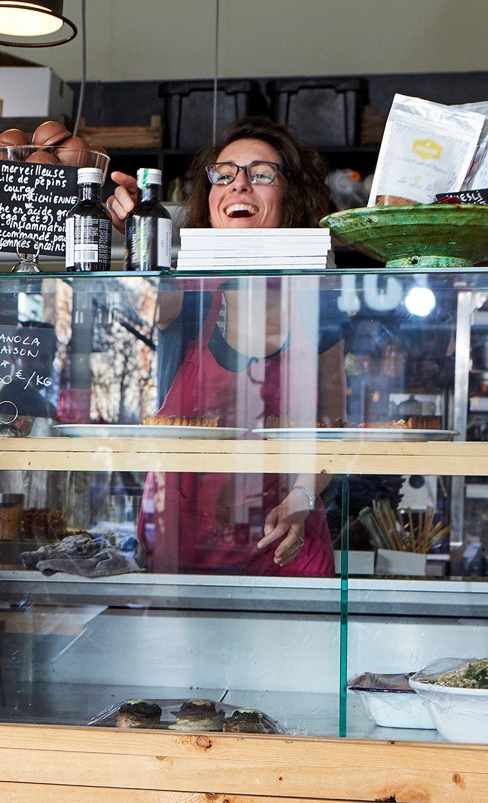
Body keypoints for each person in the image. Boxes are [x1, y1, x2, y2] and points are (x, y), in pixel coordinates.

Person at [110, 117, 345, 576]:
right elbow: (152, 302)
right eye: (224, 173)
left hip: (285, 543)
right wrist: (140, 234)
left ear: (290, 198)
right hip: (182, 544)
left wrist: (301, 497)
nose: (239, 184)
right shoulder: (189, 291)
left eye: (261, 174)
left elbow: (329, 427)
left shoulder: (317, 298)